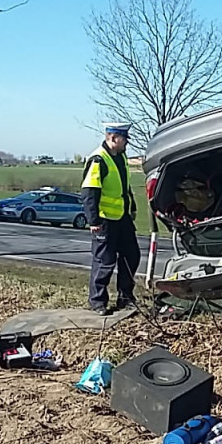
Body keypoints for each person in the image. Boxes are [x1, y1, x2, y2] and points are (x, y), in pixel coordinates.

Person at [81, 122, 141, 315]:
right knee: (104, 261)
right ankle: (98, 302)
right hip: (104, 220)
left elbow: (125, 187)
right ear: (112, 138)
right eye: (124, 139)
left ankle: (126, 297)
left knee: (131, 256)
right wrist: (93, 221)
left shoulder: (121, 157)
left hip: (122, 218)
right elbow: (89, 191)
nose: (126, 144)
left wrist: (131, 207)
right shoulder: (99, 159)